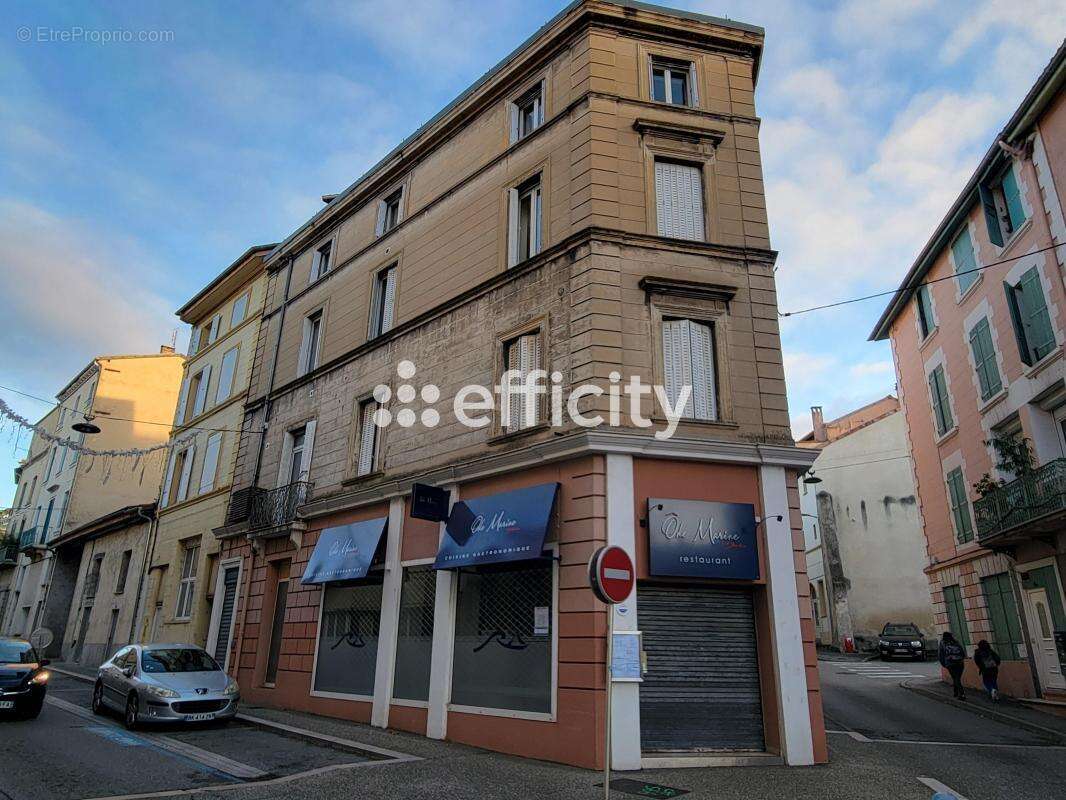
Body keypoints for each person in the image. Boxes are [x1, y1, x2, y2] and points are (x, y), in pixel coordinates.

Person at [938, 631, 967, 700]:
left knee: (955, 678)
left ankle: (961, 693)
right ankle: (956, 692)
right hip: (959, 662)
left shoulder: (942, 643)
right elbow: (962, 651)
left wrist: (943, 663)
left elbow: (940, 654)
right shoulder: (955, 641)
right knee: (957, 678)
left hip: (950, 663)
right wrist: (961, 659)